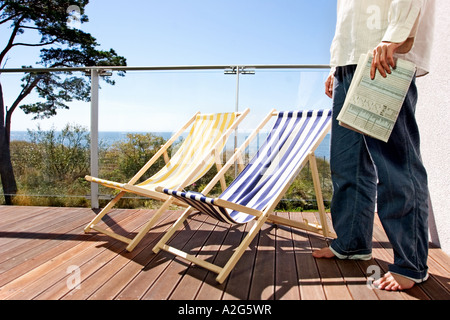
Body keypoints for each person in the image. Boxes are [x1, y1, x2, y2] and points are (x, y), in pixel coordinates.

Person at [313, 0, 435, 291]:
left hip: (384, 52)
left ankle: (411, 264)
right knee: (347, 164)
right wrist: (336, 64)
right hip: (348, 61)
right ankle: (352, 243)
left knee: (396, 166)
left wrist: (394, 36)